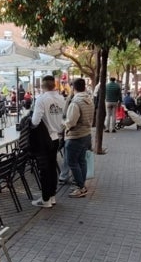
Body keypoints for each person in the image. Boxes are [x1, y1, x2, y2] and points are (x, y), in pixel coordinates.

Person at [30, 75, 65, 208]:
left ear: (42, 86)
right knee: (52, 167)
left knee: (45, 170)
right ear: (54, 85)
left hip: (45, 139)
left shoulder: (42, 99)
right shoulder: (61, 98)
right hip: (56, 138)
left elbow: (35, 121)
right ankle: (52, 196)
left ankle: (45, 200)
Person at [62, 78, 94, 198]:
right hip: (86, 134)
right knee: (82, 161)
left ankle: (81, 188)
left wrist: (63, 124)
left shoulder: (75, 102)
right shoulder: (89, 100)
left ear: (73, 88)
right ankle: (81, 184)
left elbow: (71, 122)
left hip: (75, 136)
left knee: (73, 162)